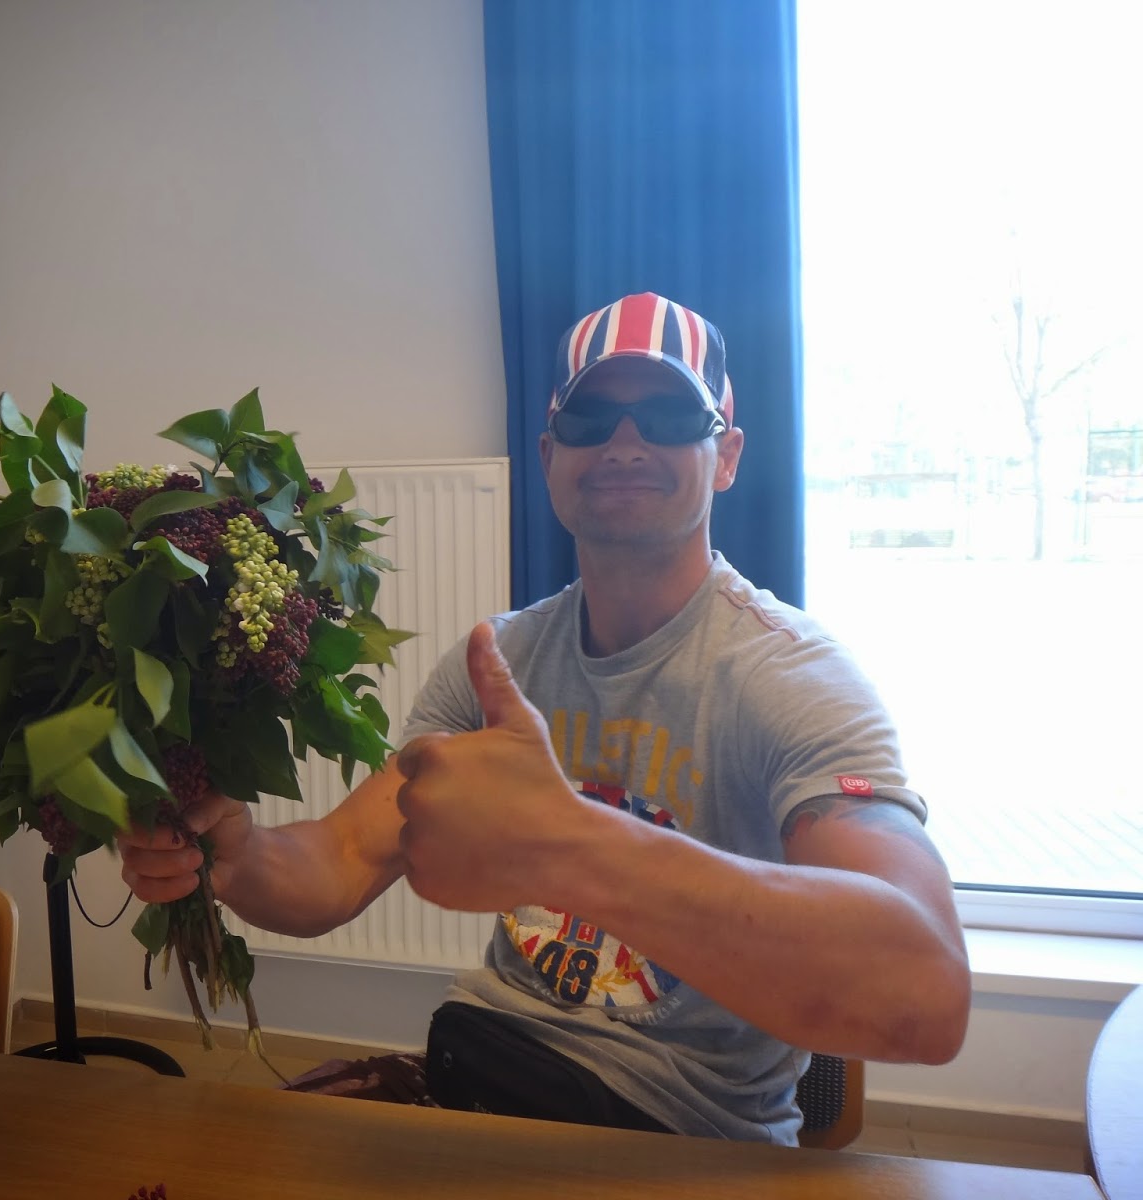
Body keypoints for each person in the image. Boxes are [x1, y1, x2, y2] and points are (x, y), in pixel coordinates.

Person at [119, 292, 970, 1144]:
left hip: (682, 1138)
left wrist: (568, 845)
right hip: (480, 1075)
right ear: (549, 454)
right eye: (591, 417)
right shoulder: (499, 661)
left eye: (670, 415)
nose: (626, 442)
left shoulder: (792, 676)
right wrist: (235, 854)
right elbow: (341, 860)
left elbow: (925, 995)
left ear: (726, 456)